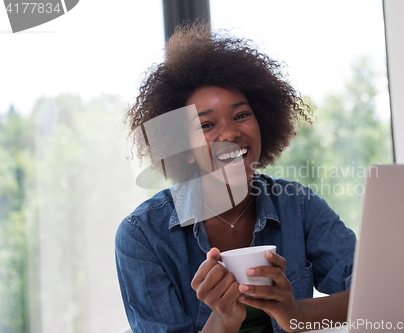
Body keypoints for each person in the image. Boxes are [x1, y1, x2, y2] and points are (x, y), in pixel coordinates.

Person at [115, 23, 356, 333]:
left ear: (263, 124)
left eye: (241, 115)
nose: (230, 133)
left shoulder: (299, 206)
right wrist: (223, 320)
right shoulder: (143, 236)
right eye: (206, 125)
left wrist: (293, 313)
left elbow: (374, 296)